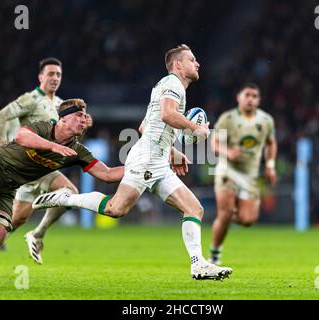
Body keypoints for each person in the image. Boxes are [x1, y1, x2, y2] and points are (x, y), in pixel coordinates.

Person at [31, 44, 233, 280]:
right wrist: (195, 128)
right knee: (116, 209)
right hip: (147, 158)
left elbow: (145, 126)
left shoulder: (165, 86)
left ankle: (198, 265)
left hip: (156, 159)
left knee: (194, 209)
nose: (197, 63)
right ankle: (66, 198)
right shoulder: (173, 84)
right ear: (178, 65)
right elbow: (168, 115)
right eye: (192, 59)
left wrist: (171, 151)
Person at [0, 99, 124, 262]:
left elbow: (108, 174)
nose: (84, 120)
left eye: (85, 116)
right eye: (79, 115)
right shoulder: (44, 128)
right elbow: (21, 137)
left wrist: (141, 169)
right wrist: (54, 146)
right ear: (62, 119)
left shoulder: (78, 151)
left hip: (9, 187)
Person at [0, 58, 92, 275]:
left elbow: (69, 137)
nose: (55, 78)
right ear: (40, 77)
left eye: (58, 75)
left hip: (42, 167)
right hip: (26, 163)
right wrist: (3, 145)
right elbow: (0, 117)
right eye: (51, 74)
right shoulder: (31, 99)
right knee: (64, 195)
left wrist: (83, 125)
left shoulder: (61, 105)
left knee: (21, 216)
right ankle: (33, 235)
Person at [209, 83, 277, 265]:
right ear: (238, 97)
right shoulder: (228, 118)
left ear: (259, 100)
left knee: (248, 220)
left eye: (254, 96)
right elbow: (214, 143)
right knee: (224, 214)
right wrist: (228, 152)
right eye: (247, 95)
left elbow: (271, 143)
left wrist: (270, 165)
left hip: (250, 175)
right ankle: (214, 255)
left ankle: (227, 213)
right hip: (228, 171)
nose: (250, 99)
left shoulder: (266, 120)